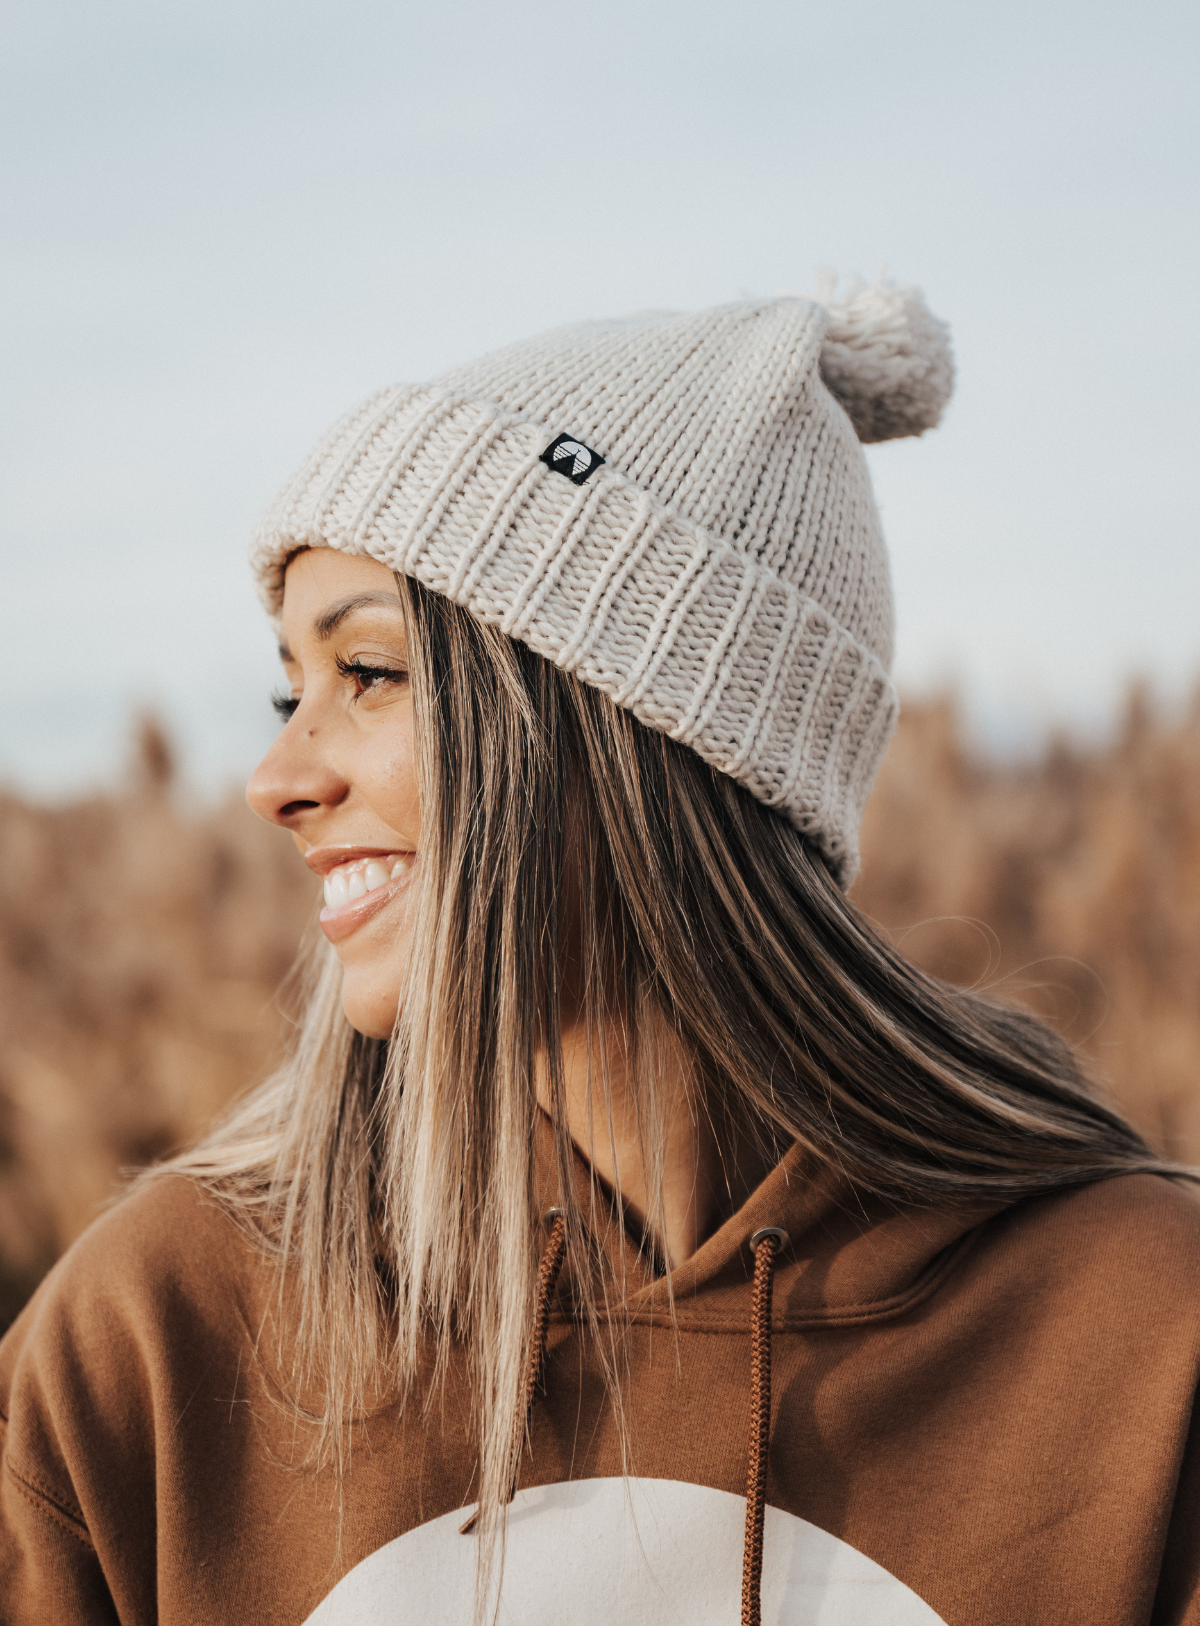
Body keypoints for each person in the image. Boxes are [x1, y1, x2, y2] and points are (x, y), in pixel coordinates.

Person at [2, 282, 1198, 1626]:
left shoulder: (1146, 1335)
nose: (275, 778)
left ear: (633, 735)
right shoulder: (163, 1338)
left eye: (373, 674)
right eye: (292, 688)